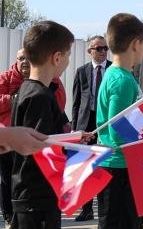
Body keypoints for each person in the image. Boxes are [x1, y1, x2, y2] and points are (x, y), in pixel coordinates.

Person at [10, 21, 75, 229]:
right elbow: (40, 149)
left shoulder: (28, 89)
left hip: (31, 196)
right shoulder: (40, 97)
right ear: (57, 57)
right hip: (38, 199)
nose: (68, 61)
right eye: (68, 55)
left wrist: (72, 137)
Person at [97, 13, 143, 229]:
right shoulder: (122, 80)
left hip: (119, 166)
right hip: (119, 168)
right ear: (135, 44)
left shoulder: (118, 74)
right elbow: (117, 129)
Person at [71, 35, 112, 221]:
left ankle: (105, 207)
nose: (103, 52)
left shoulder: (113, 69)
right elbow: (76, 101)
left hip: (106, 122)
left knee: (104, 165)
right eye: (99, 48)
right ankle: (87, 208)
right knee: (85, 167)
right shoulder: (82, 71)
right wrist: (75, 129)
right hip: (86, 123)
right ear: (90, 51)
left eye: (105, 48)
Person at [0, 48, 29, 224]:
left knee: (25, 179)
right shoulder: (5, 78)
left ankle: (23, 216)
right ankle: (9, 215)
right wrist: (14, 99)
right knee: (7, 178)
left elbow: (58, 100)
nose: (25, 61)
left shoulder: (42, 78)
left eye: (28, 58)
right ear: (16, 60)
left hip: (29, 139)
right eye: (21, 58)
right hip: (7, 138)